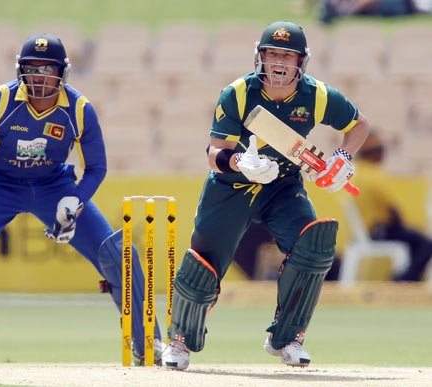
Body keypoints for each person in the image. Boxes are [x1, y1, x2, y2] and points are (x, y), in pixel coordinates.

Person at [0, 34, 164, 367]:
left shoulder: (79, 109)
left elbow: (96, 168)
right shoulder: (0, 100)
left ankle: (149, 340)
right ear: (20, 71)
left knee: (117, 253)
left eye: (47, 69)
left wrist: (74, 201)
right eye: (32, 69)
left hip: (53, 185)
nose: (39, 77)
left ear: (63, 73)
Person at [161, 21, 370, 370]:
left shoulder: (317, 96)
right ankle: (180, 342)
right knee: (204, 262)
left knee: (313, 246)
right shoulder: (238, 93)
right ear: (260, 56)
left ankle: (288, 338)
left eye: (286, 56)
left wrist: (344, 158)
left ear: (301, 61)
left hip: (283, 185)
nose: (278, 62)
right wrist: (240, 162)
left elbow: (359, 125)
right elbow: (214, 152)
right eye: (272, 53)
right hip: (233, 186)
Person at [352, 131, 432, 281]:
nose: (383, 154)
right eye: (381, 150)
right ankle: (405, 280)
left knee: (414, 240)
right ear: (372, 153)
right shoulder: (373, 174)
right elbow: (391, 208)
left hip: (370, 230)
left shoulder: (358, 172)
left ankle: (405, 277)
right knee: (426, 244)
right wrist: (401, 223)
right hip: (381, 230)